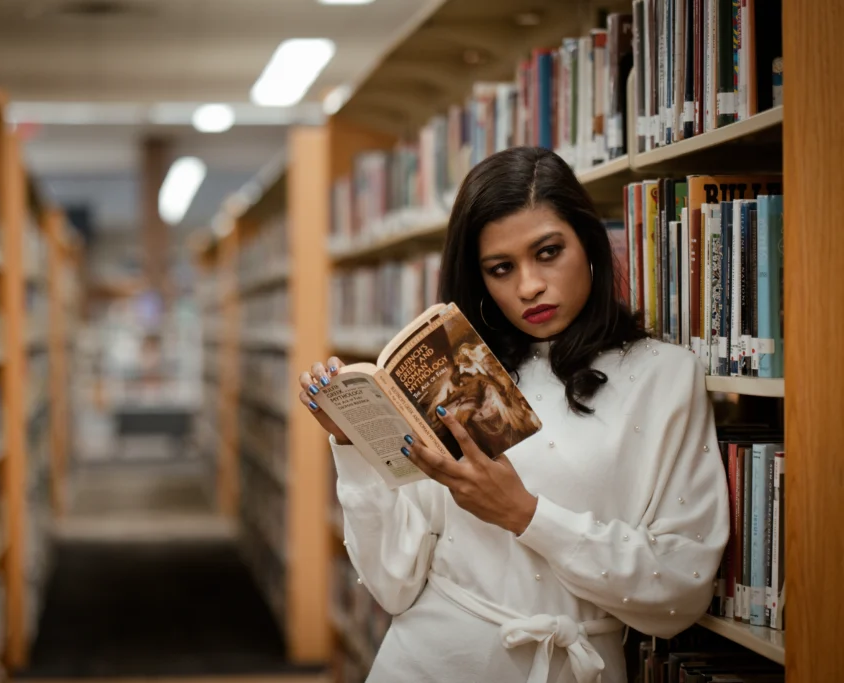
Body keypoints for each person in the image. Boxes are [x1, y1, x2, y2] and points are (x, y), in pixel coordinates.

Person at [297, 147, 731, 683]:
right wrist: (353, 447)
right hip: (427, 661)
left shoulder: (666, 375)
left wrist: (524, 514)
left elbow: (680, 590)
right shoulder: (453, 368)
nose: (528, 286)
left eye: (548, 253)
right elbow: (393, 584)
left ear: (589, 245)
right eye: (501, 269)